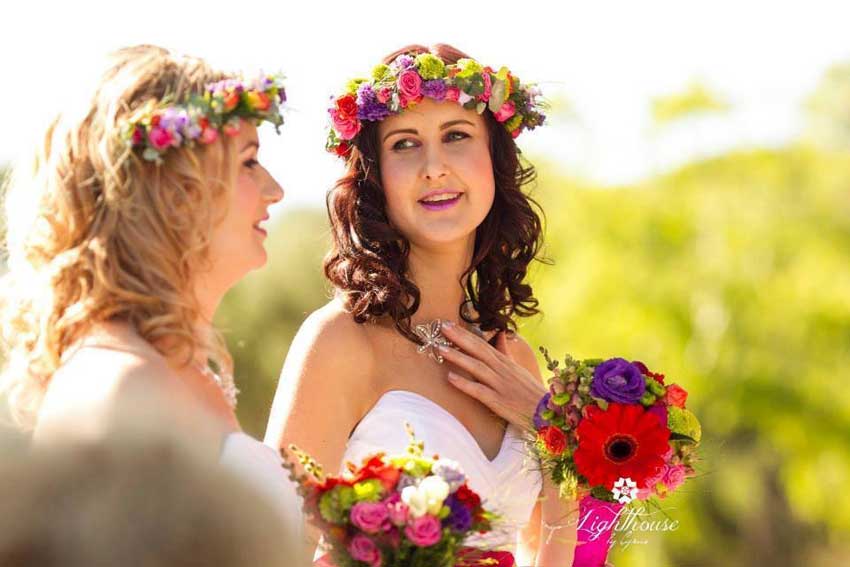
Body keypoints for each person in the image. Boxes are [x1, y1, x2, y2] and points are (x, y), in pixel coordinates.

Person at [266, 44, 579, 565]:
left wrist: (554, 433)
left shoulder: (513, 358)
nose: (434, 167)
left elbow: (551, 551)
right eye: (405, 144)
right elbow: (272, 545)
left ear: (494, 163)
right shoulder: (341, 341)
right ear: (375, 178)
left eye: (456, 136)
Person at [0, 44, 306, 563]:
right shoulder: (115, 385)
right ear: (169, 189)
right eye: (249, 162)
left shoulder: (178, 369)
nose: (275, 190)